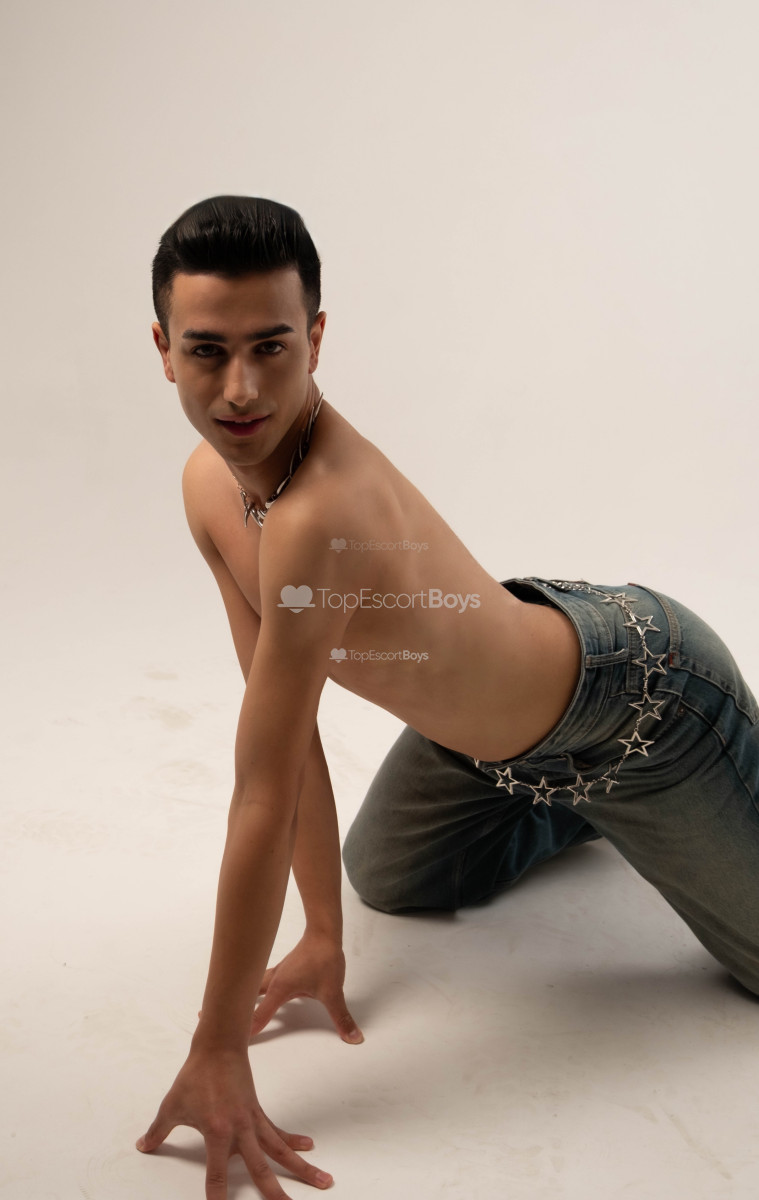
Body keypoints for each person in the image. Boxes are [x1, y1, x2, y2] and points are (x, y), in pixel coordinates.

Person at [138, 195, 759, 1199]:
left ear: (316, 340)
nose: (240, 388)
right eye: (208, 351)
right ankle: (602, 815)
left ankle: (673, 794)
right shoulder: (207, 488)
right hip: (486, 753)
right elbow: (282, 747)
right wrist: (325, 934)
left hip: (642, 705)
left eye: (271, 347)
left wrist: (217, 1047)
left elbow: (256, 798)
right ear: (164, 350)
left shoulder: (321, 517)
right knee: (388, 877)